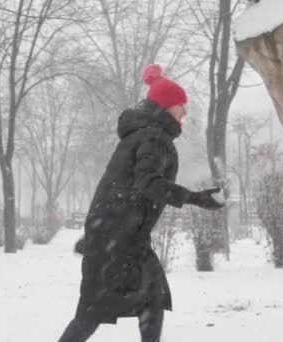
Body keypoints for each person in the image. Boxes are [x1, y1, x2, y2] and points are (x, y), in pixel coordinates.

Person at [58, 64, 225, 342]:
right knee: (107, 309)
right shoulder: (153, 137)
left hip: (118, 236)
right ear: (165, 107)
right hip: (120, 239)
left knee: (141, 300)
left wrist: (96, 234)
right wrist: (195, 198)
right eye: (179, 106)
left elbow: (116, 188)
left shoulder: (141, 134)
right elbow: (146, 183)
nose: (184, 112)